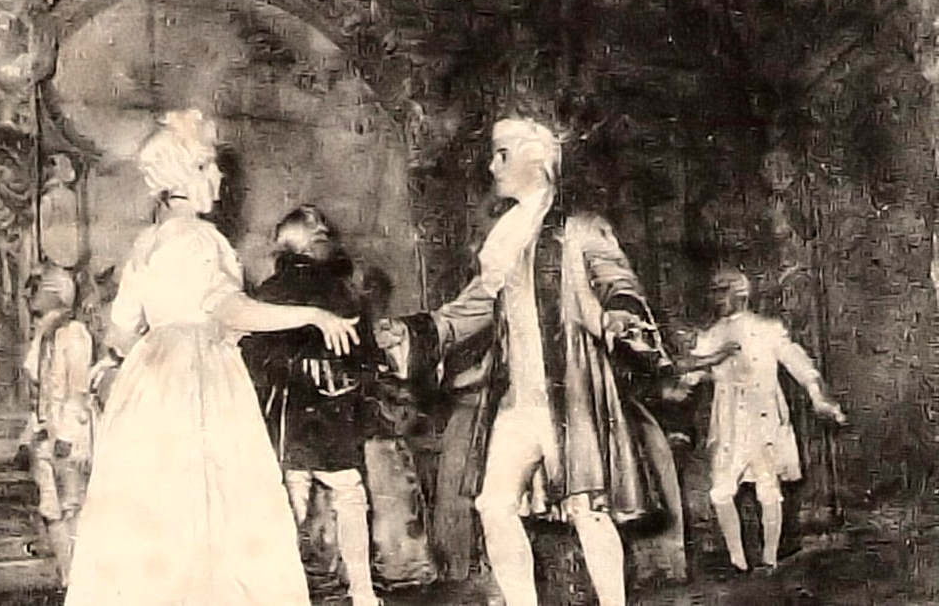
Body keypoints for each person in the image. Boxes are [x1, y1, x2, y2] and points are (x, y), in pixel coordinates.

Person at [373, 117, 737, 606]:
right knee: (493, 504)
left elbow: (618, 282)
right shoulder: (505, 235)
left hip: (572, 395)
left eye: (502, 154)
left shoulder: (578, 229)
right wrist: (415, 331)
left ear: (536, 158)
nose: (492, 165)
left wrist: (619, 313)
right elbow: (475, 306)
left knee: (589, 510)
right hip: (517, 401)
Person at [63, 109, 360, 606]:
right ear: (186, 175)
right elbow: (230, 309)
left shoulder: (146, 243)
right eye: (210, 166)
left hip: (149, 383)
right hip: (199, 379)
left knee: (158, 509)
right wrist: (313, 315)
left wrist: (128, 364)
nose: (220, 177)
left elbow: (120, 332)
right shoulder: (201, 237)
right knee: (216, 502)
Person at [241, 204, 385, 606]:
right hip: (319, 411)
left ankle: (290, 592)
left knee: (296, 499)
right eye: (316, 231)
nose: (324, 235)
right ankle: (360, 592)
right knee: (344, 496)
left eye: (323, 229)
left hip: (296, 413)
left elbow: (253, 355)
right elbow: (363, 354)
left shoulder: (275, 290)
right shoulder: (333, 290)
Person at [668, 267, 846, 573]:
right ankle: (737, 560)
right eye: (715, 292)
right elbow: (691, 375)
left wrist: (818, 397)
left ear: (740, 294)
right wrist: (684, 383)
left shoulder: (767, 329)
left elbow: (799, 364)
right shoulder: (712, 335)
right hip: (729, 422)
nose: (717, 299)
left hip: (764, 417)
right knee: (721, 490)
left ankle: (770, 558)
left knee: (768, 486)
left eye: (723, 292)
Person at [21, 263, 94, 585]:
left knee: (72, 505)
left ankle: (84, 579)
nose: (29, 298)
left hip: (70, 433)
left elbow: (78, 389)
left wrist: (66, 434)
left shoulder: (74, 334)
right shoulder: (44, 336)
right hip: (45, 430)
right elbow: (34, 377)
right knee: (50, 506)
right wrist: (36, 430)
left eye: (35, 291)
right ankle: (67, 576)